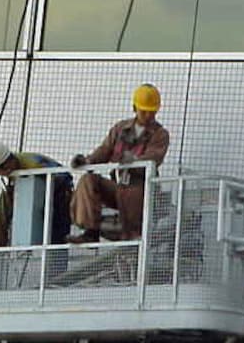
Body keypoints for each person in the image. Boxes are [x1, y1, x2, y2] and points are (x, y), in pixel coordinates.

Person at [68, 83, 169, 243]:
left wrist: (135, 161)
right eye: (144, 111)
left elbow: (155, 157)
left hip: (142, 189)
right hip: (118, 186)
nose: (148, 116)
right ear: (134, 107)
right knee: (88, 181)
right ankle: (90, 231)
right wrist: (87, 161)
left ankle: (132, 234)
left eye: (152, 112)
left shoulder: (160, 134)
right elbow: (105, 149)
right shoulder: (120, 128)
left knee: (129, 193)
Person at [0, 140, 72, 248]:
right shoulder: (15, 169)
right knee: (6, 195)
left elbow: (64, 176)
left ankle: (57, 255)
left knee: (56, 235)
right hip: (43, 194)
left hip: (60, 195)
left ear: (6, 165)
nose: (1, 174)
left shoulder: (34, 164)